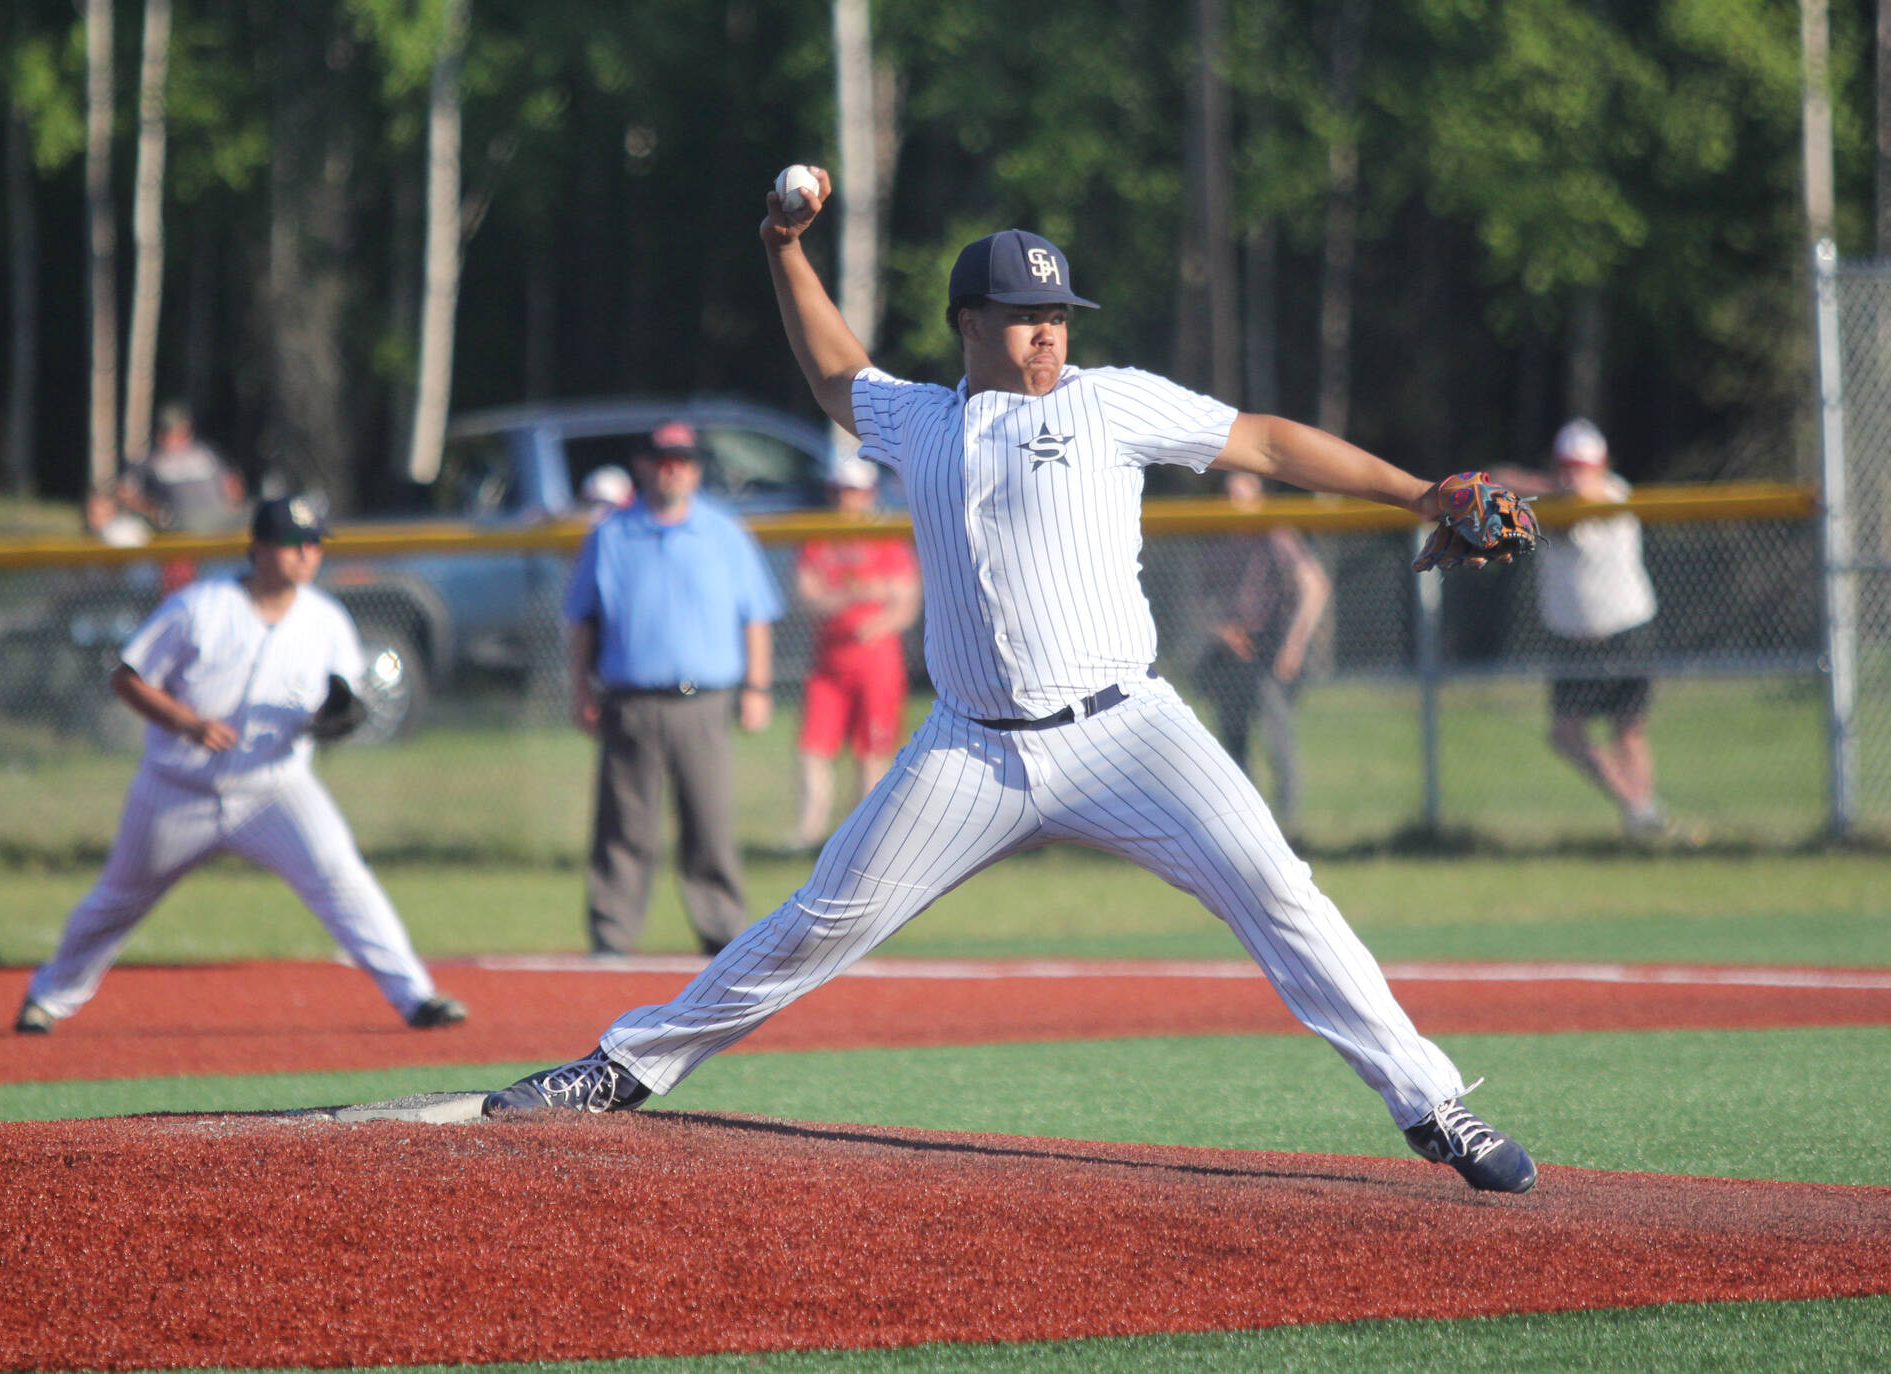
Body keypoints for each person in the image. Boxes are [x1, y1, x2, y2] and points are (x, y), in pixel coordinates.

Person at [484, 170, 1537, 1196]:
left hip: (1127, 732)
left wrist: (1415, 491)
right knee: (817, 921)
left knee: (1279, 893)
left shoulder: (1109, 404)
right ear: (968, 324)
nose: (1047, 332)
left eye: (1058, 314)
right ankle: (624, 1067)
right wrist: (783, 249)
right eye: (1024, 314)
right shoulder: (917, 421)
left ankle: (1432, 1104)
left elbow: (1262, 438)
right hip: (970, 749)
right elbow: (830, 373)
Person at [14, 496, 468, 1034]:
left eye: (314, 543)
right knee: (116, 902)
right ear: (257, 548)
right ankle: (48, 996)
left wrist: (339, 718)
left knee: (343, 880)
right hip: (177, 789)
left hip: (276, 788)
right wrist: (186, 721)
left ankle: (416, 997)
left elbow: (343, 705)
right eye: (292, 542)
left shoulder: (326, 621)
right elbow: (127, 678)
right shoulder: (198, 607)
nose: (306, 554)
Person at [564, 421, 786, 957]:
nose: (673, 468)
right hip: (631, 698)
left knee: (709, 823)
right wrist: (581, 692)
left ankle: (723, 933)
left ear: (696, 467)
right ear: (642, 465)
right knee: (623, 828)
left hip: (705, 700)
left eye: (683, 459)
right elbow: (581, 622)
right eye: (663, 458)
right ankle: (611, 937)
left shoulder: (723, 532)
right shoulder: (612, 534)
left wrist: (757, 687)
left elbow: (755, 616)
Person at [1495, 419, 1666, 838]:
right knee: (1565, 733)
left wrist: (1551, 489)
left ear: (1601, 465)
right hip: (1572, 637)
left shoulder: (1611, 493)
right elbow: (1497, 477)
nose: (1575, 473)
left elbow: (1586, 494)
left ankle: (1642, 825)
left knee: (1629, 732)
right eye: (1566, 464)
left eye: (1583, 465)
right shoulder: (1548, 499)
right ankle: (1641, 808)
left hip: (1626, 628)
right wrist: (1545, 487)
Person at [783, 453, 923, 851]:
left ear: (870, 494)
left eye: (857, 492)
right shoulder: (819, 536)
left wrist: (873, 618)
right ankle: (810, 833)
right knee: (813, 748)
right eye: (841, 491)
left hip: (875, 663)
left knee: (871, 753)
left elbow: (905, 602)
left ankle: (863, 838)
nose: (848, 500)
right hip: (828, 663)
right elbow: (807, 593)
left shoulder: (887, 539)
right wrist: (862, 593)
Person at [1191, 469, 1330, 828]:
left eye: (1243, 496)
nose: (1235, 503)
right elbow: (1197, 603)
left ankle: (1287, 826)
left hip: (1270, 649)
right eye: (1229, 495)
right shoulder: (1215, 539)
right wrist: (1221, 631)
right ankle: (1245, 824)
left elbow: (1314, 586)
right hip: (1231, 653)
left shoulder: (1274, 532)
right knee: (1232, 741)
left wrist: (1293, 645)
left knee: (1276, 736)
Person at [114, 402, 248, 535]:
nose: (171, 437)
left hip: (219, 519)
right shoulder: (149, 461)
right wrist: (151, 510)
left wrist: (234, 502)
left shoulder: (206, 452)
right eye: (166, 431)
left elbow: (230, 480)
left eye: (178, 431)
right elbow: (125, 491)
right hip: (181, 525)